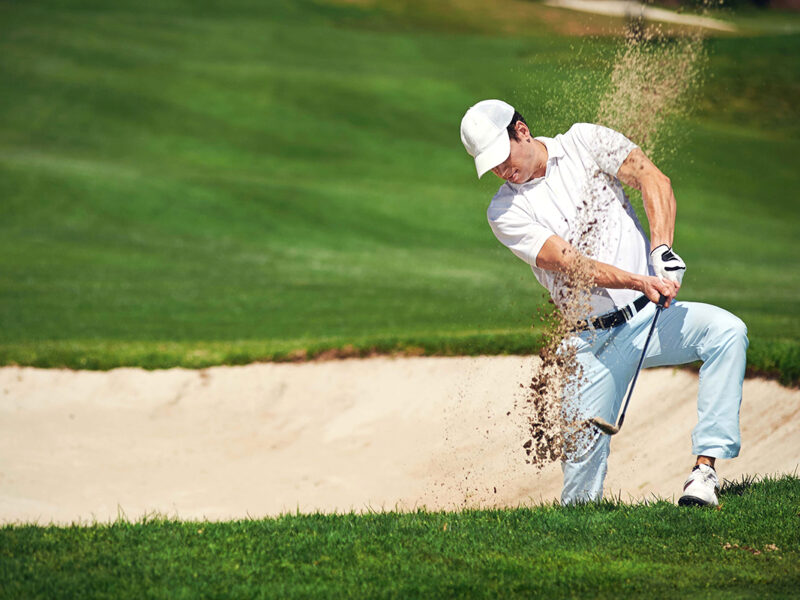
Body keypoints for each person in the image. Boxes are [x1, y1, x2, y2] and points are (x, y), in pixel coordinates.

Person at [459, 99, 748, 506]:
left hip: (651, 318)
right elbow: (570, 263)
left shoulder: (583, 141)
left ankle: (704, 472)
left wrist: (662, 249)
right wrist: (640, 279)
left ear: (521, 131)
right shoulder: (504, 210)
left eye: (502, 157)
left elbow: (652, 179)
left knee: (727, 332)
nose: (501, 171)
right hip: (589, 345)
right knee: (579, 495)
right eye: (491, 165)